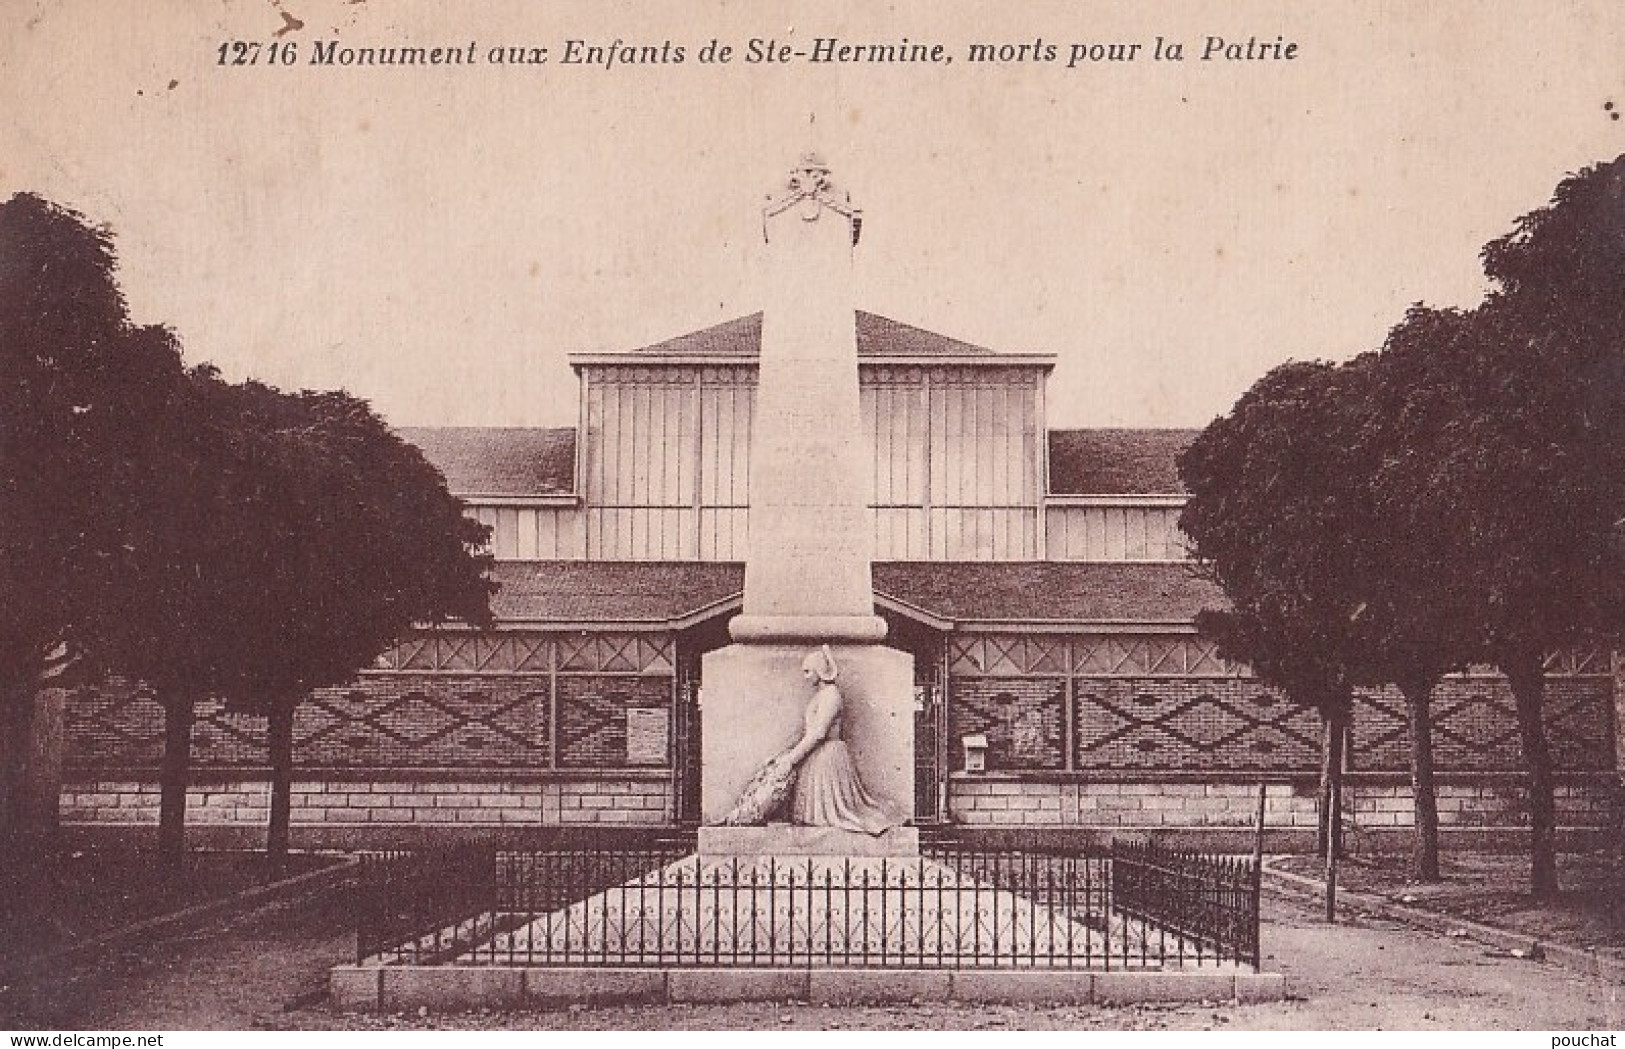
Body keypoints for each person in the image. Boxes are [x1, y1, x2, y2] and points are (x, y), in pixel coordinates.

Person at [716, 645, 903, 834]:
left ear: (819, 672)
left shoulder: (831, 695)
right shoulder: (823, 695)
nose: (805, 677)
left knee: (830, 817)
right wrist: (785, 755)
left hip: (828, 757)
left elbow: (819, 733)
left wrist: (791, 759)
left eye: (808, 672)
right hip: (817, 756)